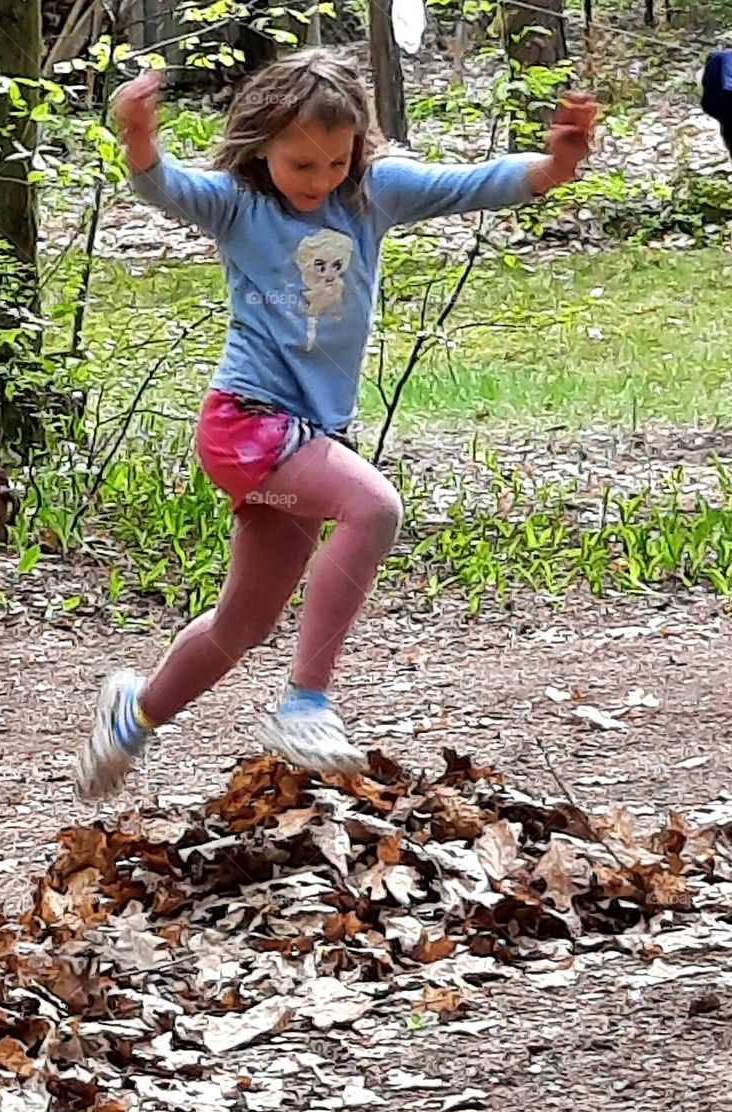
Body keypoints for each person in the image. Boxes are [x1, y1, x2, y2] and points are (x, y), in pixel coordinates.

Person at [77, 47, 595, 801]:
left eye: (334, 161)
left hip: (303, 445)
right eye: (300, 165)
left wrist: (554, 167)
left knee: (240, 624)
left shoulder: (371, 195)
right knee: (373, 506)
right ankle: (306, 702)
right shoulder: (238, 205)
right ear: (261, 147)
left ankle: (134, 714)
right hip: (246, 423)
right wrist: (138, 137)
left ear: (357, 148)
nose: (319, 181)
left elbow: (476, 184)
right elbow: (162, 186)